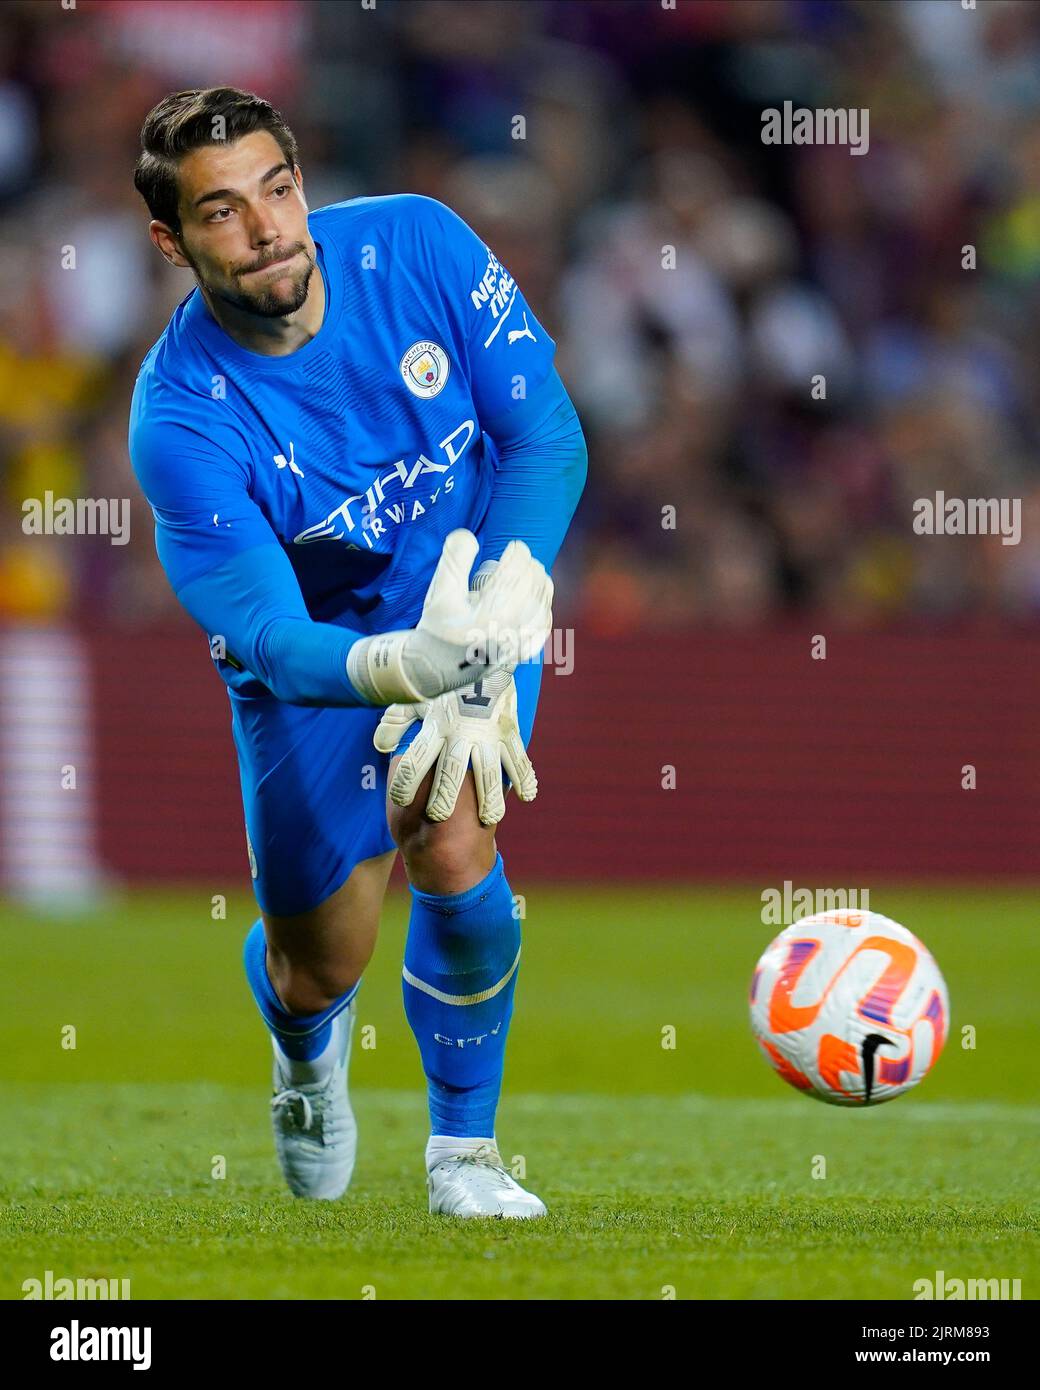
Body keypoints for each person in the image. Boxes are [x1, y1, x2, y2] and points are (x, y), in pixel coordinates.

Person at [128, 87, 587, 1218]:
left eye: (277, 190)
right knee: (319, 961)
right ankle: (300, 1048)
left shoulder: (421, 244)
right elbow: (276, 640)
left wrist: (510, 590)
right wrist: (399, 669)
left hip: (468, 602)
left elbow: (542, 431)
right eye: (223, 211)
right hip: (326, 670)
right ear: (171, 239)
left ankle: (463, 1155)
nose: (268, 228)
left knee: (450, 832)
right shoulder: (180, 418)